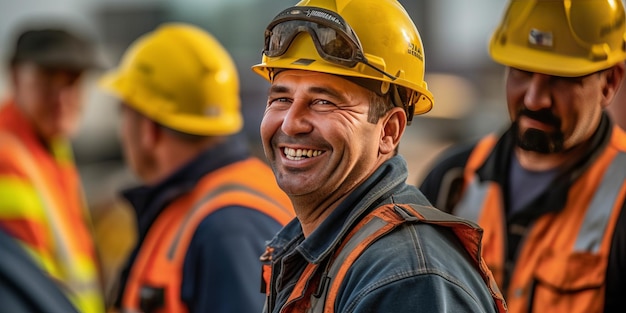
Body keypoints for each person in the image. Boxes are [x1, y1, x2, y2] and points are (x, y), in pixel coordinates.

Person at [251, 0, 507, 312]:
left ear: (388, 131)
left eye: (323, 102)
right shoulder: (315, 250)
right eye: (281, 98)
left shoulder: (406, 278)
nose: (291, 122)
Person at [418, 1, 626, 312]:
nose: (534, 98)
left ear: (609, 82)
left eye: (560, 77)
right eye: (522, 72)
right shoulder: (452, 179)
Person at [99, 23, 295, 313]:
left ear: (149, 129)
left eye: (125, 113)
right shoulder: (198, 204)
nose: (121, 131)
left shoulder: (227, 228)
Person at [0, 25, 105, 312]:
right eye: (47, 80)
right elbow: (24, 285)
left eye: (71, 81)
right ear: (15, 77)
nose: (61, 99)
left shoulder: (51, 148)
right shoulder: (7, 158)